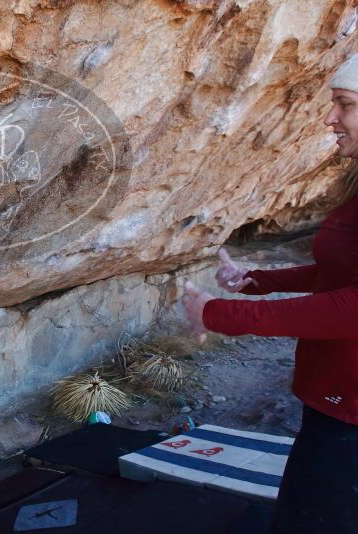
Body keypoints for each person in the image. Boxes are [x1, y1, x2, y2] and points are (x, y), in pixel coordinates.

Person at [182, 55, 358, 533]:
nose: (329, 118)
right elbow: (342, 275)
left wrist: (217, 314)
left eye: (344, 104)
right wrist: (259, 282)